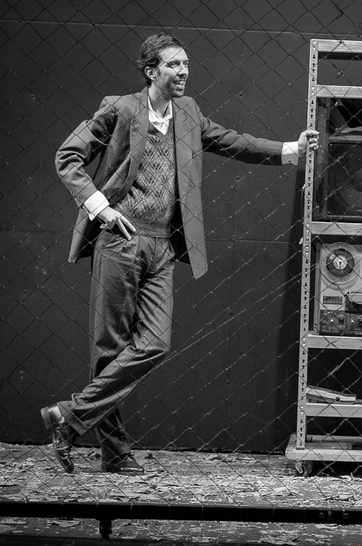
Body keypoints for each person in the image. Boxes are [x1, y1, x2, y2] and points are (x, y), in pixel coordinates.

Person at [41, 32, 319, 474]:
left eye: (186, 64)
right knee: (110, 349)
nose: (184, 71)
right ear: (151, 71)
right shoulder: (121, 108)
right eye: (174, 65)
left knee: (154, 344)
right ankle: (115, 452)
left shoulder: (188, 112)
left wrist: (291, 149)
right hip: (120, 240)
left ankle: (68, 417)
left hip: (163, 246)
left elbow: (233, 141)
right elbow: (67, 156)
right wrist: (102, 209)